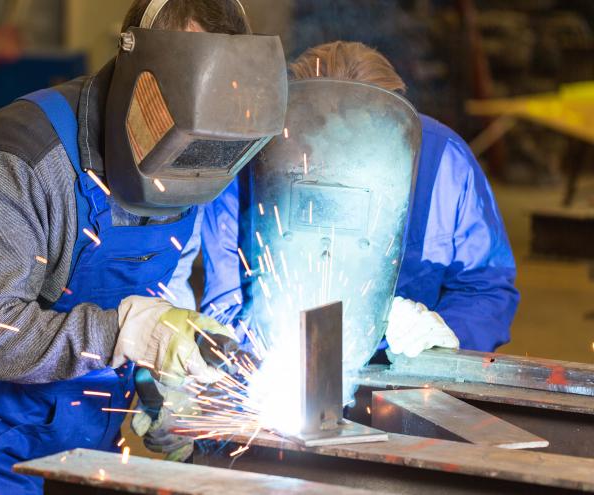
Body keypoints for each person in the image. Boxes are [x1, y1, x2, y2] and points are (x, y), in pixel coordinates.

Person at [0, 1, 287, 493]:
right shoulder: (21, 157)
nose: (193, 160)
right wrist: (121, 333)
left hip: (93, 427)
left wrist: (168, 384)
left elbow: (168, 285)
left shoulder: (201, 153)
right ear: (136, 76)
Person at [178, 41, 519, 357]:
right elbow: (227, 304)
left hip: (407, 379)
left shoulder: (443, 163)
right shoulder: (252, 162)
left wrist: (446, 332)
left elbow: (486, 287)